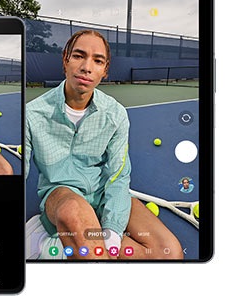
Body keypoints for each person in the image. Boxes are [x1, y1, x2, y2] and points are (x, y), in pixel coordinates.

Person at [24, 30, 182, 259]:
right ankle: (55, 236)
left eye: (97, 61)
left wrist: (113, 233)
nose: (87, 67)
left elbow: (117, 176)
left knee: (169, 253)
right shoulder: (32, 114)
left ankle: (64, 245)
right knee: (73, 215)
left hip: (103, 194)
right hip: (60, 195)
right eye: (79, 56)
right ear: (65, 60)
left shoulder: (116, 114)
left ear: (105, 71)